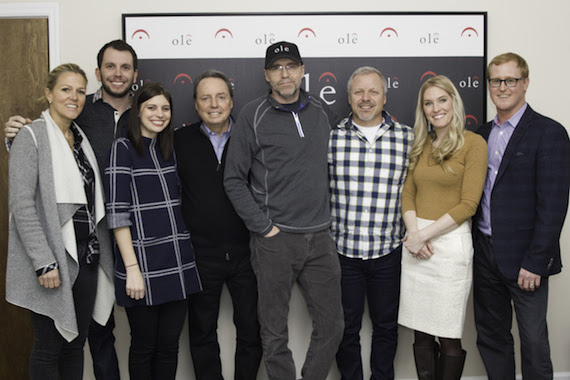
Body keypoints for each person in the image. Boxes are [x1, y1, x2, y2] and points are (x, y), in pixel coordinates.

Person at [4, 39, 138, 380]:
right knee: (49, 347)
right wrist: (43, 261)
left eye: (80, 91)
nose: (74, 97)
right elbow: (22, 205)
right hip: (53, 257)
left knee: (75, 344)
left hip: (86, 258)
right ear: (49, 94)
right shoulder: (31, 137)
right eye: (65, 89)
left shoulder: (79, 138)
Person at [224, 41, 344, 380]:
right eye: (277, 68)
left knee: (333, 325)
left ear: (303, 70)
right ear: (266, 75)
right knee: (274, 332)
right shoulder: (252, 115)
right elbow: (234, 179)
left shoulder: (322, 111)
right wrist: (263, 227)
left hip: (320, 238)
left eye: (291, 66)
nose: (285, 73)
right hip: (274, 240)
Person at [473, 53, 570, 380]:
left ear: (524, 83)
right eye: (496, 81)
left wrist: (536, 260)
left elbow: (554, 204)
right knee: (491, 336)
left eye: (510, 80)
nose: (502, 87)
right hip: (485, 253)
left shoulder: (549, 133)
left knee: (533, 341)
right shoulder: (480, 135)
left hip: (525, 258)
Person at [105, 82, 202, 379]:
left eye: (165, 108)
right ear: (138, 111)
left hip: (177, 261)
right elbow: (117, 214)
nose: (159, 114)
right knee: (144, 346)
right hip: (142, 264)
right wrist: (132, 268)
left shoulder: (168, 148)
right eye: (151, 107)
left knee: (169, 346)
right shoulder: (123, 148)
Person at [398, 75, 487, 379]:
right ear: (423, 109)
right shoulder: (420, 144)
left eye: (442, 100)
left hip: (449, 247)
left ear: (454, 102)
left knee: (449, 335)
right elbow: (408, 193)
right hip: (415, 246)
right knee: (421, 335)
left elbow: (468, 205)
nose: (436, 108)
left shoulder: (474, 143)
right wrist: (414, 235)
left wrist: (422, 236)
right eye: (428, 102)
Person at [174, 69, 262, 380]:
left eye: (221, 97)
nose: (214, 104)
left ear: (232, 101)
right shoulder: (177, 141)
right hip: (200, 255)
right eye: (206, 98)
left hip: (248, 253)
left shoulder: (251, 139)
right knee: (201, 333)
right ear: (196, 105)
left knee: (252, 331)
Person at [329, 66, 414, 380]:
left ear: (384, 96)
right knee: (345, 329)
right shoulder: (331, 138)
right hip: (343, 253)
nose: (366, 99)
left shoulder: (408, 138)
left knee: (387, 328)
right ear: (349, 97)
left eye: (373, 91)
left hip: (388, 252)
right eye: (358, 92)